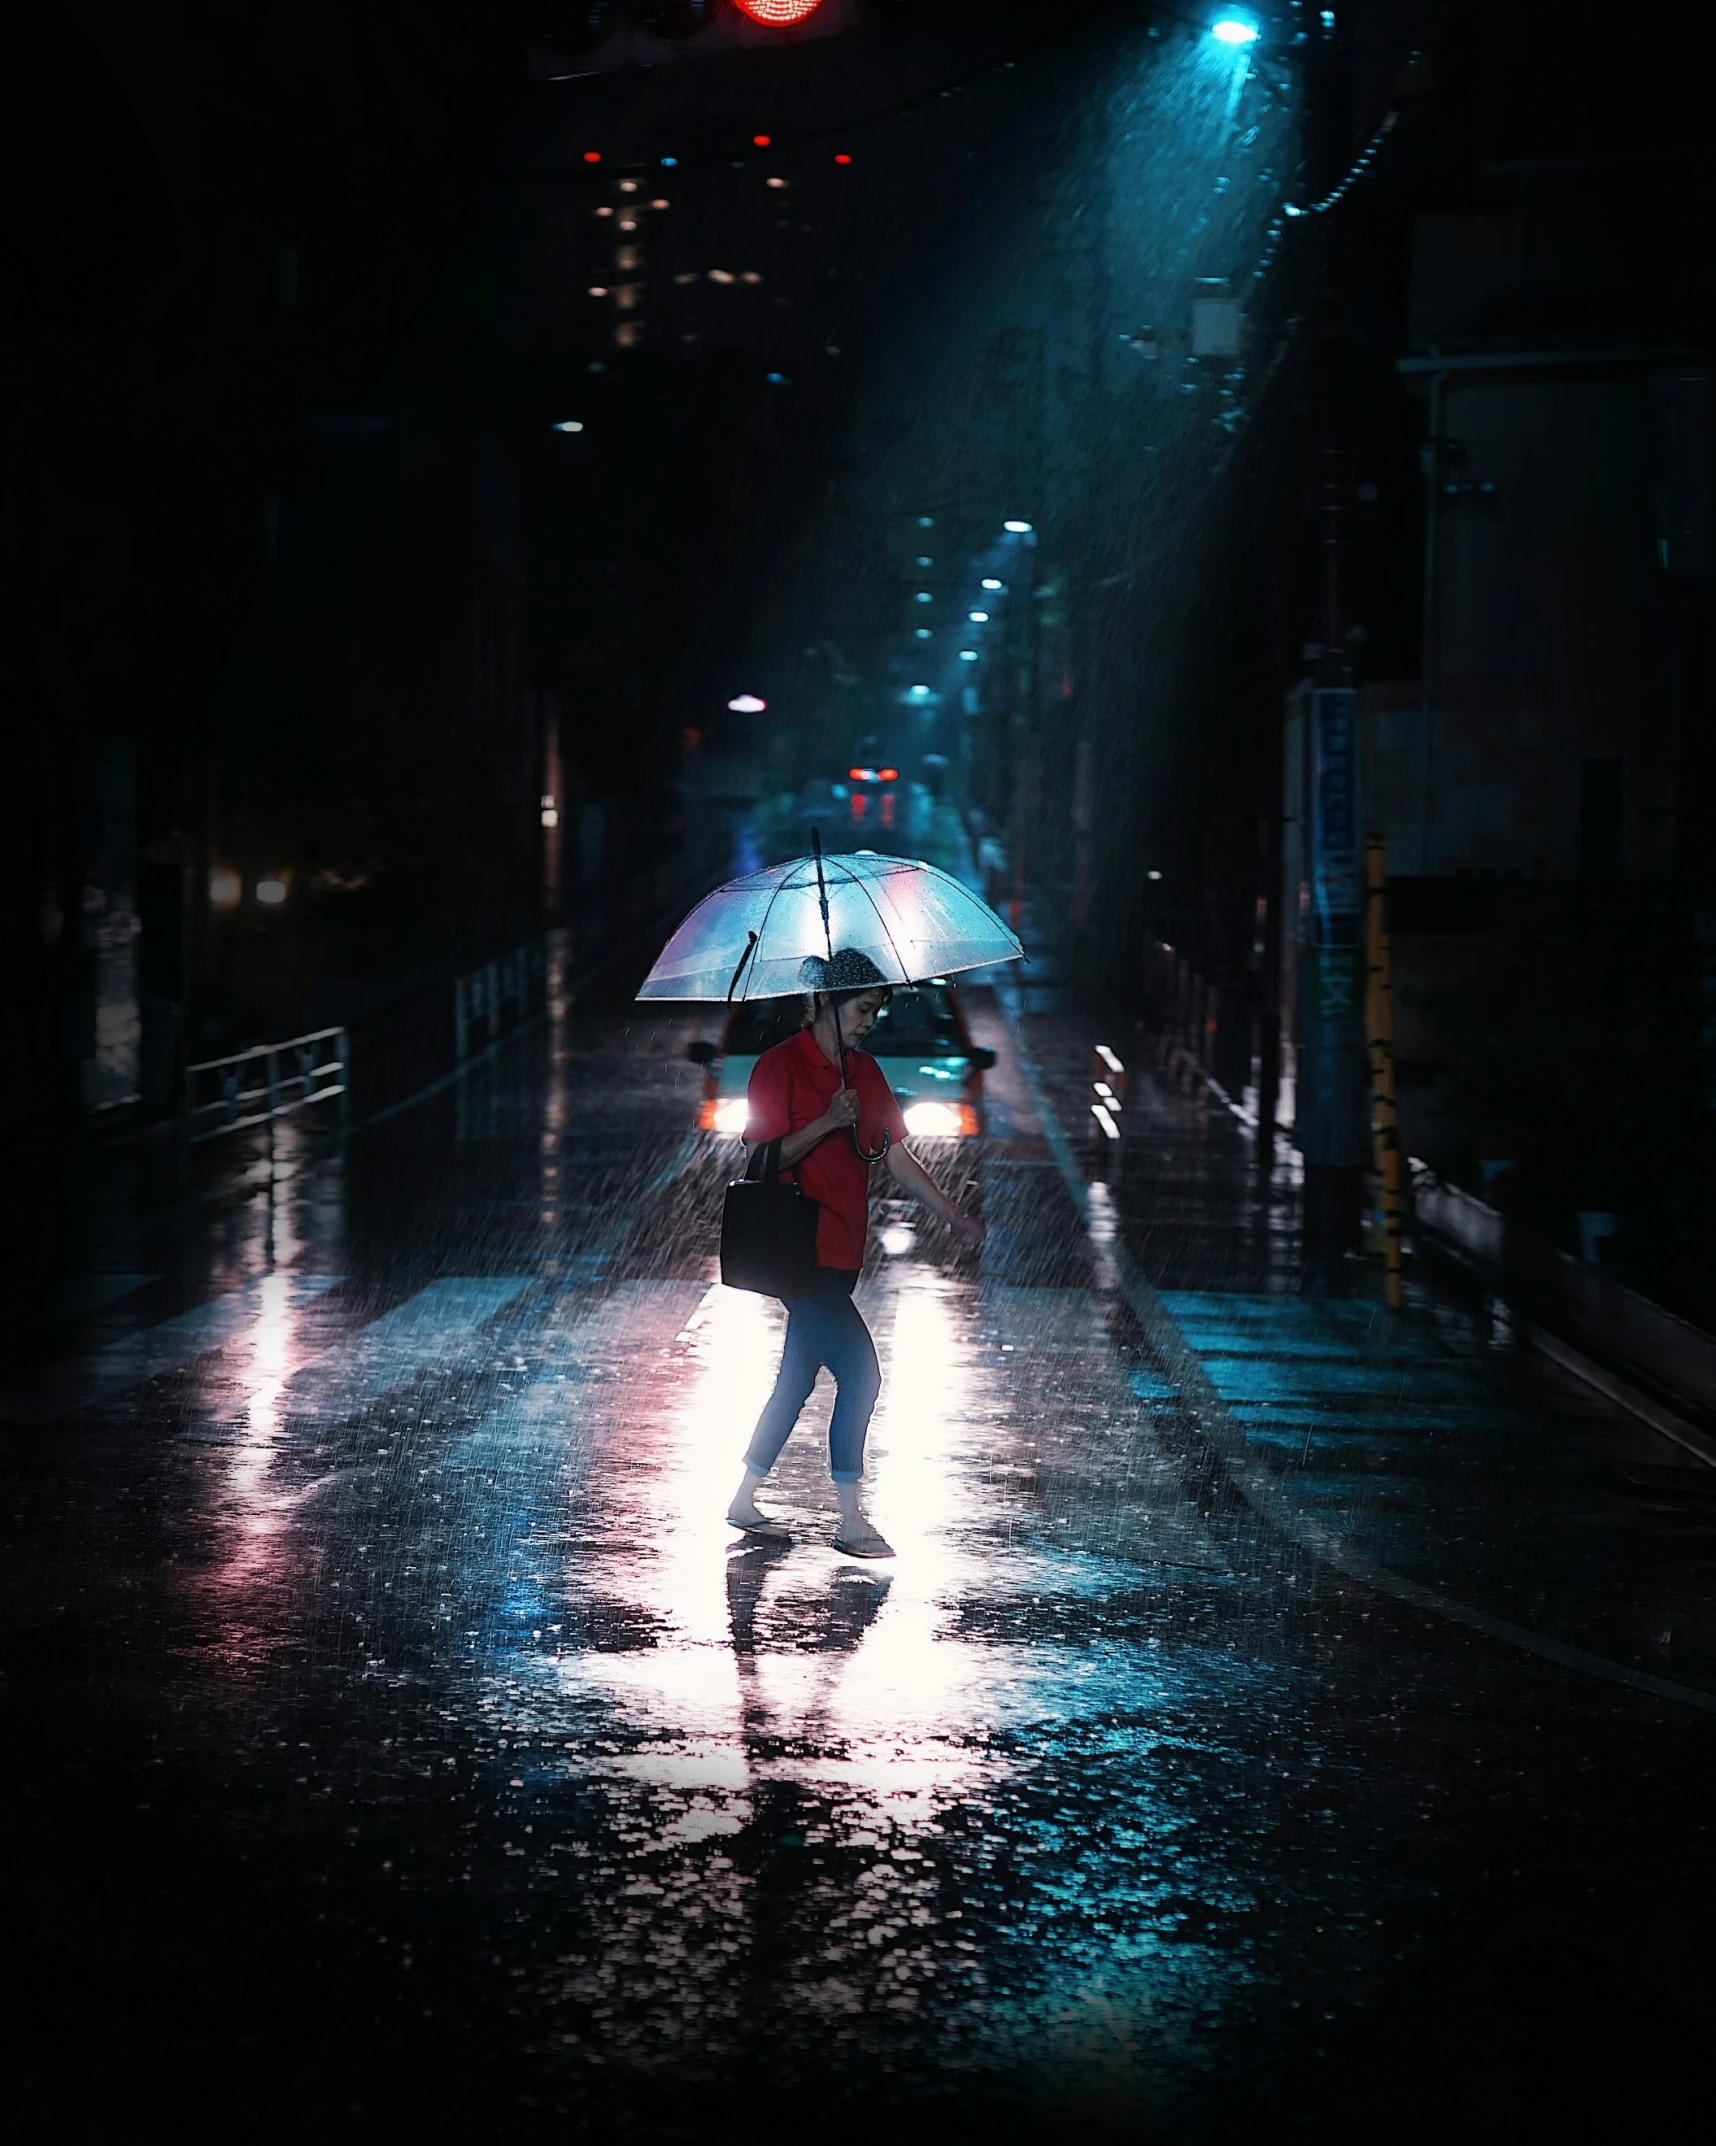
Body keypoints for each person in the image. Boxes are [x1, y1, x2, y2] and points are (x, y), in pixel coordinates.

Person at [726, 947, 985, 1558]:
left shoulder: (863, 1071)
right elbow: (760, 1158)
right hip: (798, 1253)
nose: (871, 1020)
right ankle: (849, 1518)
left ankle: (742, 1498)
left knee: (794, 1382)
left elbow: (894, 1153)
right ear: (826, 1003)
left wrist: (950, 1212)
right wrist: (824, 1121)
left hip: (843, 1251)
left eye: (876, 1010)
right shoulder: (778, 1066)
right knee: (862, 1375)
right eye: (864, 1008)